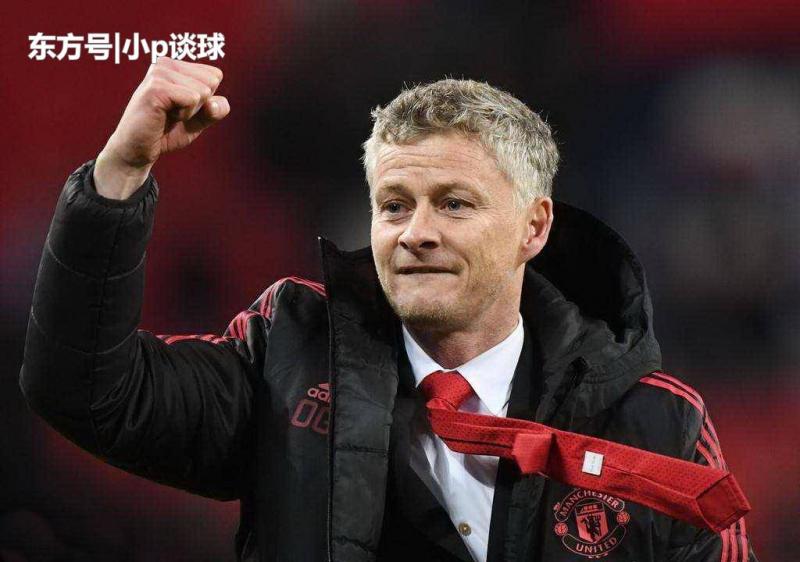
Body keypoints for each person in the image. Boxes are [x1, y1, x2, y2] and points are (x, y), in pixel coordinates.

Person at [19, 56, 756, 562]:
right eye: (394, 205)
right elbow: (86, 390)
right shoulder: (288, 355)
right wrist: (121, 172)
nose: (415, 233)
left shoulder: (658, 426)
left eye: (454, 204)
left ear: (534, 227)